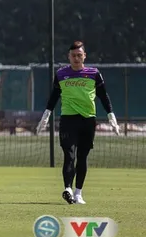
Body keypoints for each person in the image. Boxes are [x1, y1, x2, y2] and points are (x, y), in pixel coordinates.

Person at [36, 41, 120, 204]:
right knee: (69, 155)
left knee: (82, 157)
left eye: (79, 55)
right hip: (68, 120)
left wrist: (111, 116)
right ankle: (67, 188)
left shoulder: (94, 74)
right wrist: (46, 115)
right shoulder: (61, 74)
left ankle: (78, 193)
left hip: (88, 120)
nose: (76, 58)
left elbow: (103, 96)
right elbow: (54, 97)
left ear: (84, 56)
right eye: (73, 55)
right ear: (69, 56)